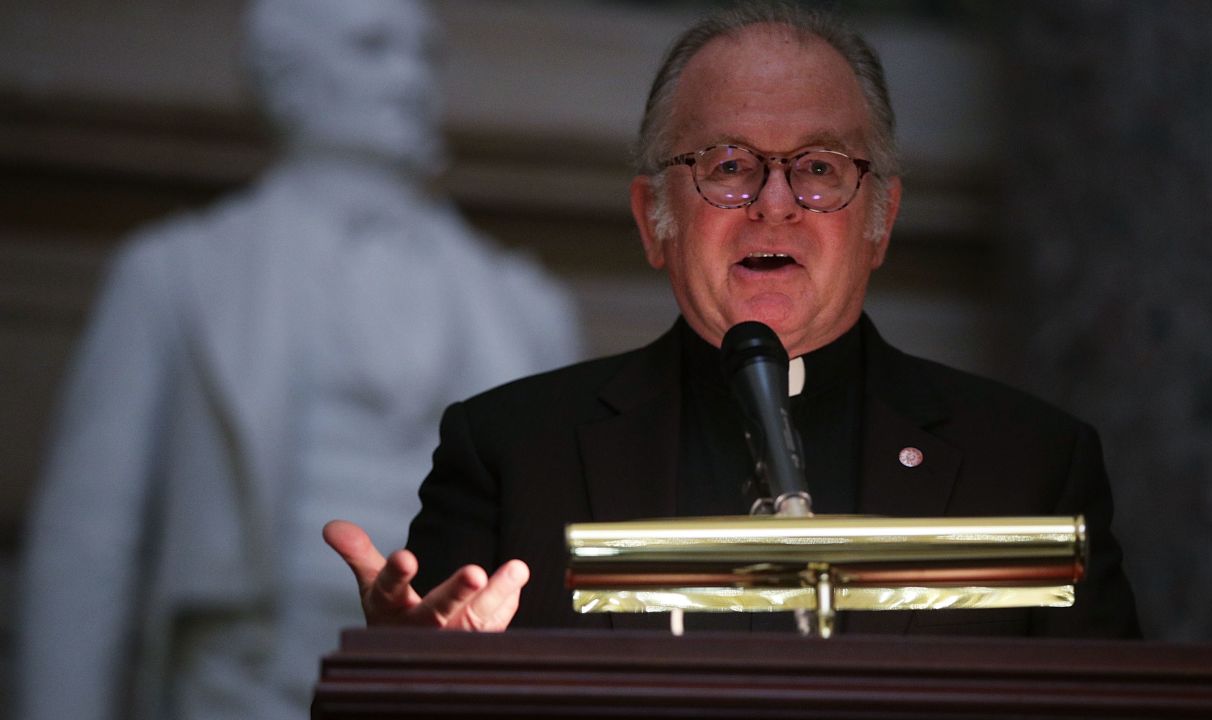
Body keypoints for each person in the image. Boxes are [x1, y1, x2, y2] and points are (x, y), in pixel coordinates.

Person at [325, 2, 1141, 637]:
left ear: (881, 220)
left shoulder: (1031, 465)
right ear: (653, 220)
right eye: (728, 167)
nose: (775, 206)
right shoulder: (511, 453)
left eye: (819, 169)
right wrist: (415, 672)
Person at [18, 1, 580, 719]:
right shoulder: (176, 274)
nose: (409, 77)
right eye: (373, 48)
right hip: (244, 683)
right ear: (287, 76)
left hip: (462, 681)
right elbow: (88, 543)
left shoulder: (523, 305)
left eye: (424, 55)